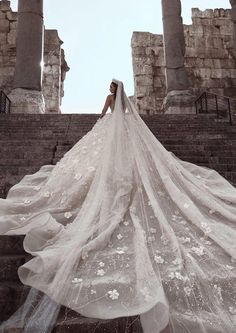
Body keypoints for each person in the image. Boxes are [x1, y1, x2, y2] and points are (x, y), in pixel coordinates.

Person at [0, 79, 236, 333]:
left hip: (109, 130)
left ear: (113, 90)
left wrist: (100, 121)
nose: (111, 90)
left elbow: (104, 114)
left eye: (112, 88)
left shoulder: (111, 100)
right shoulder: (125, 103)